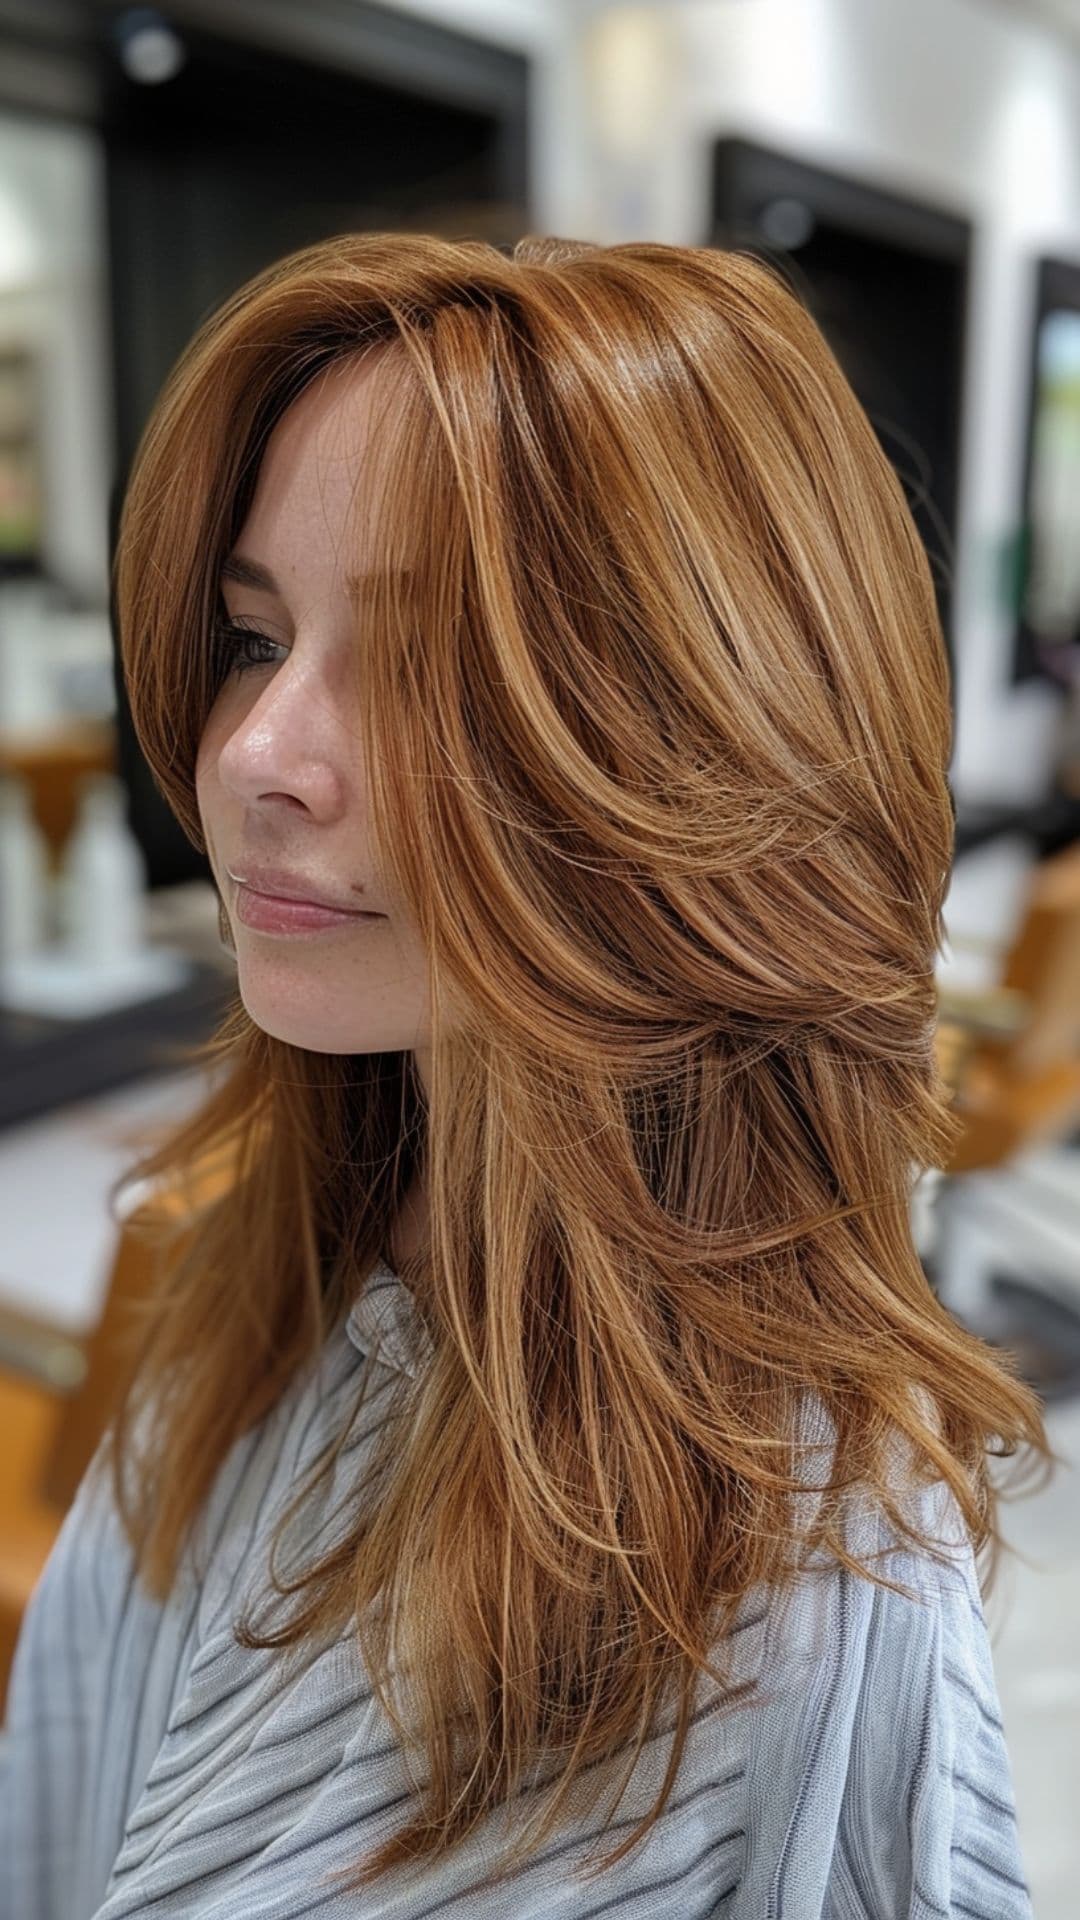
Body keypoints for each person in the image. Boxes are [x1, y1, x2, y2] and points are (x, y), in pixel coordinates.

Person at [0, 230, 1058, 1919]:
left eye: (424, 667)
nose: (256, 754)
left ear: (701, 743)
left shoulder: (804, 1612)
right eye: (257, 639)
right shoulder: (275, 1291)